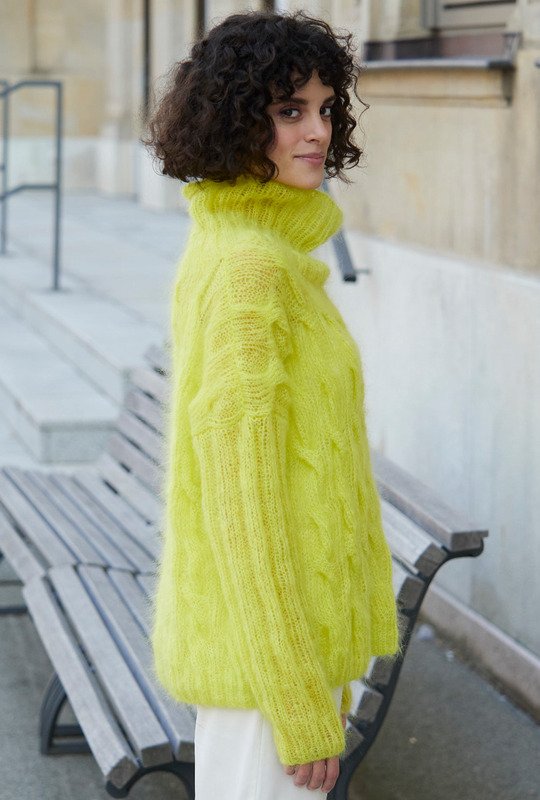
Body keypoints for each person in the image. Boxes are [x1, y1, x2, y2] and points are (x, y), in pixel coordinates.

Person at [143, 9, 401, 799]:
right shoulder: (250, 271)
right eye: (290, 110)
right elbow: (242, 503)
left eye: (325, 108)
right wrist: (295, 694)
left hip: (276, 648)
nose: (317, 131)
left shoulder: (252, 248)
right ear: (234, 120)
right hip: (265, 677)